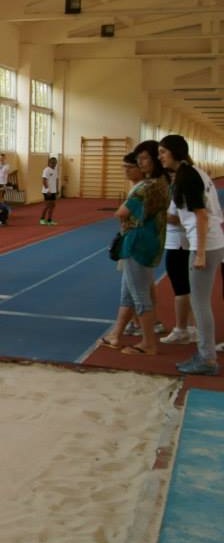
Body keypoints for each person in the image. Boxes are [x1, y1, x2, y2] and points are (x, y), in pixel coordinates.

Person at [159, 135, 224, 375]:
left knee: (199, 303)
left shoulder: (188, 178)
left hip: (204, 244)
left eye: (163, 152)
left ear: (176, 152)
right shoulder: (194, 173)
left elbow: (202, 215)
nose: (160, 157)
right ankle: (205, 354)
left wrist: (200, 253)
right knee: (199, 302)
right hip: (209, 241)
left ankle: (207, 359)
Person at [97, 153, 168, 357]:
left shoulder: (146, 187)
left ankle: (148, 343)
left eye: (143, 160)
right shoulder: (158, 185)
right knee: (128, 292)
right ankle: (116, 335)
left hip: (138, 243)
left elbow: (122, 212)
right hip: (145, 241)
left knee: (139, 294)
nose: (138, 164)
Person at [39, 157, 59, 225]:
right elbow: (44, 181)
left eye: (55, 163)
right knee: (47, 205)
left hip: (53, 191)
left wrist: (57, 189)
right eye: (52, 163)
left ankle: (49, 220)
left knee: (52, 206)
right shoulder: (46, 170)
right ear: (49, 163)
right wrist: (47, 190)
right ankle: (42, 219)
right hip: (47, 191)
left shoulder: (55, 170)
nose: (54, 164)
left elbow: (56, 180)